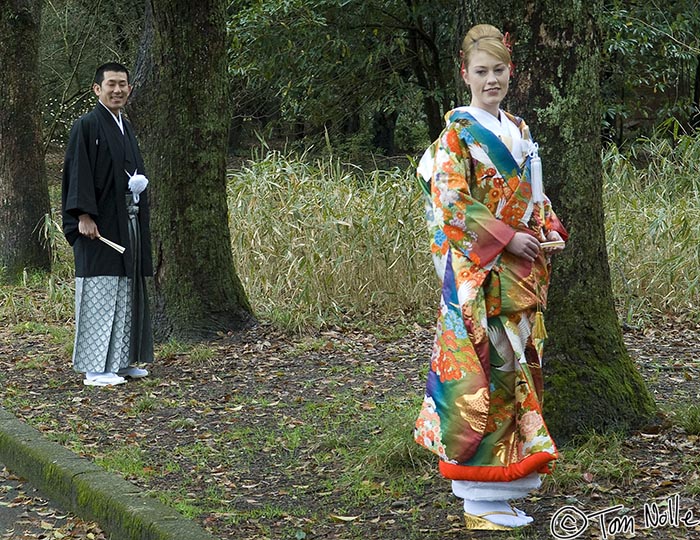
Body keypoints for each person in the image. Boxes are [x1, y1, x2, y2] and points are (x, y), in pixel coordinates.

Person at [413, 24, 569, 530]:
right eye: (481, 71)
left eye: (499, 70)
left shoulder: (519, 129)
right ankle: (478, 502)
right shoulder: (457, 134)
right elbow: (451, 202)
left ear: (511, 72)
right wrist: (505, 237)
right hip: (481, 278)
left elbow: (535, 195)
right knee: (490, 376)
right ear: (465, 74)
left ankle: (505, 490)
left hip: (522, 272)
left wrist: (546, 228)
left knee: (519, 374)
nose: (491, 80)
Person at [61, 62, 154, 387]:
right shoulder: (86, 125)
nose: (117, 90)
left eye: (122, 84)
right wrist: (82, 215)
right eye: (111, 84)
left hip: (125, 220)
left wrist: (136, 185)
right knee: (100, 291)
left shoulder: (124, 126)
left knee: (125, 290)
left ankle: (121, 361)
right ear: (97, 89)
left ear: (129, 88)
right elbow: (78, 172)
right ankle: (94, 369)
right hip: (97, 226)